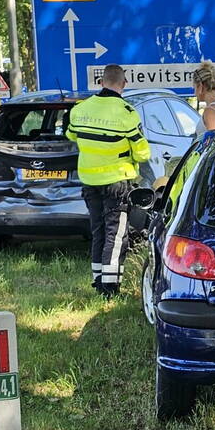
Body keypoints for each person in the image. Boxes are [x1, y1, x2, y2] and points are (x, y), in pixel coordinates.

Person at [66, 64, 150, 299]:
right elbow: (143, 153)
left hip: (89, 180)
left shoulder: (80, 109)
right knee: (116, 234)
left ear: (101, 82)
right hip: (116, 182)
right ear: (123, 84)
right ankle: (110, 288)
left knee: (98, 230)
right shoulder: (126, 113)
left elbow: (71, 135)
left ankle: (98, 280)